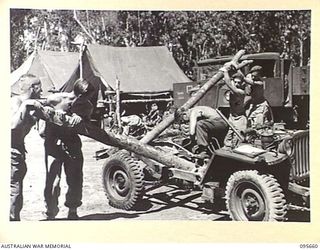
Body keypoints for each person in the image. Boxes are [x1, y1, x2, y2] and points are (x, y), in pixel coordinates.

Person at [43, 79, 94, 220]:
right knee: (53, 179)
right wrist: (50, 112)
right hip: (53, 143)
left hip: (72, 143)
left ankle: (73, 210)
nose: (87, 100)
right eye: (84, 98)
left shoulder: (87, 107)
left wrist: (81, 119)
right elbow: (39, 112)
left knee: (75, 179)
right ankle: (50, 211)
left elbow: (88, 125)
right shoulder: (55, 99)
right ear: (78, 94)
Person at [11, 74, 43, 221]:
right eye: (39, 88)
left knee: (16, 189)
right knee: (13, 190)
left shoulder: (31, 104)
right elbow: (11, 126)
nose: (41, 91)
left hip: (18, 151)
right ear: (33, 88)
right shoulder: (16, 102)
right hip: (10, 151)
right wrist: (25, 106)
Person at [221, 66, 248, 148]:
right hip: (232, 117)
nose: (237, 84)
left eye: (239, 83)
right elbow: (229, 82)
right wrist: (235, 69)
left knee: (238, 141)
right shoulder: (233, 87)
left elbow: (229, 84)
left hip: (240, 119)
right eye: (235, 82)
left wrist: (225, 72)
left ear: (242, 83)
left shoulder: (241, 92)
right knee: (228, 141)